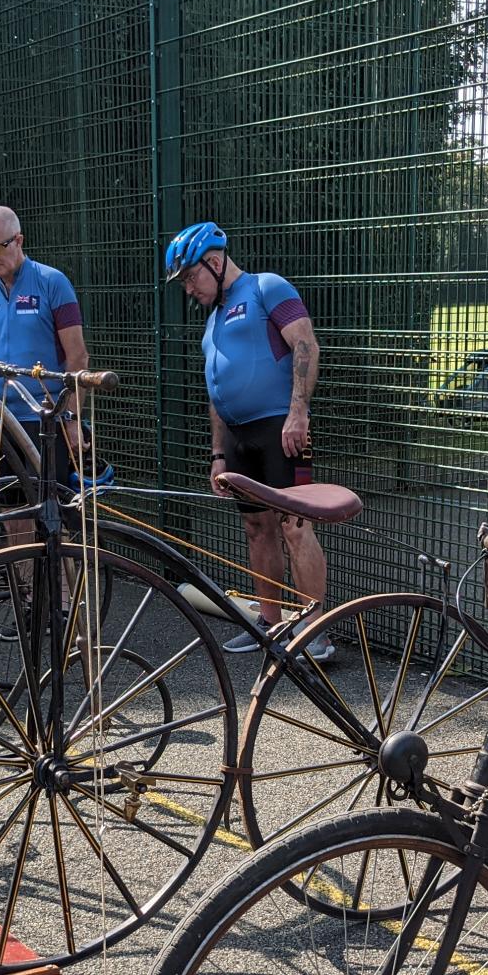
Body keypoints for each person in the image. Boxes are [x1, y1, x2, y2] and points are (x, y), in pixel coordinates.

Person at [162, 220, 330, 660]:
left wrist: (298, 412)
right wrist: (219, 453)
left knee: (295, 527)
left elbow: (305, 346)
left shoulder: (265, 288)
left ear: (214, 262)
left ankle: (316, 633)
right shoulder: (213, 319)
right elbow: (216, 390)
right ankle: (270, 624)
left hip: (281, 428)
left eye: (190, 277)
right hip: (237, 438)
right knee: (257, 528)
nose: (188, 289)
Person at [0, 204, 89, 480]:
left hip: (45, 421)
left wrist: (71, 419)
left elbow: (78, 357)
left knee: (50, 511)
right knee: (9, 513)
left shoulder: (52, 282)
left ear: (18, 240)